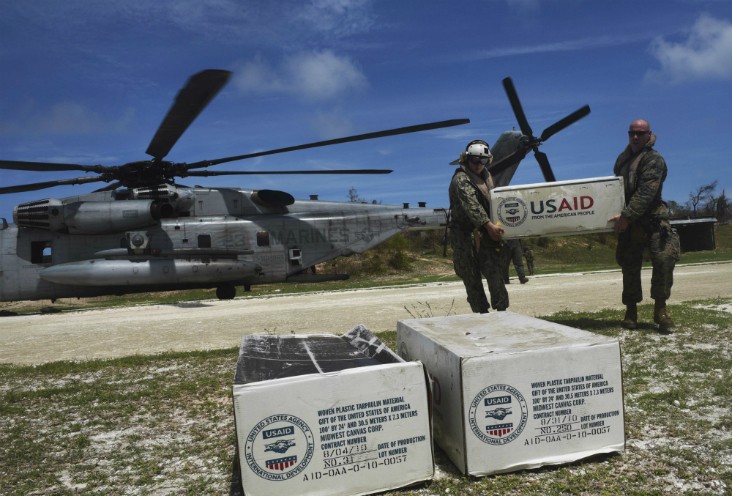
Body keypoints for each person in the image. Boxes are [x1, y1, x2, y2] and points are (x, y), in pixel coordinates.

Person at [608, 118, 680, 333]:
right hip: (630, 223)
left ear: (649, 135)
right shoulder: (622, 160)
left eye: (640, 133)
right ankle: (631, 311)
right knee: (629, 266)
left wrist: (627, 215)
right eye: (632, 133)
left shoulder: (653, 159)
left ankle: (661, 309)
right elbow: (615, 189)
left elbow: (647, 192)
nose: (636, 137)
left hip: (653, 221)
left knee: (663, 263)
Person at [448, 140, 508, 313]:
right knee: (471, 276)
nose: (479, 165)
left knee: (494, 272)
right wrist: (489, 226)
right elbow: (471, 205)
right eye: (475, 161)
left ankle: (502, 311)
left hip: (484, 234)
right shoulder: (461, 179)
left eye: (483, 161)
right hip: (465, 237)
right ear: (466, 159)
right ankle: (481, 313)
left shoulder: (486, 178)